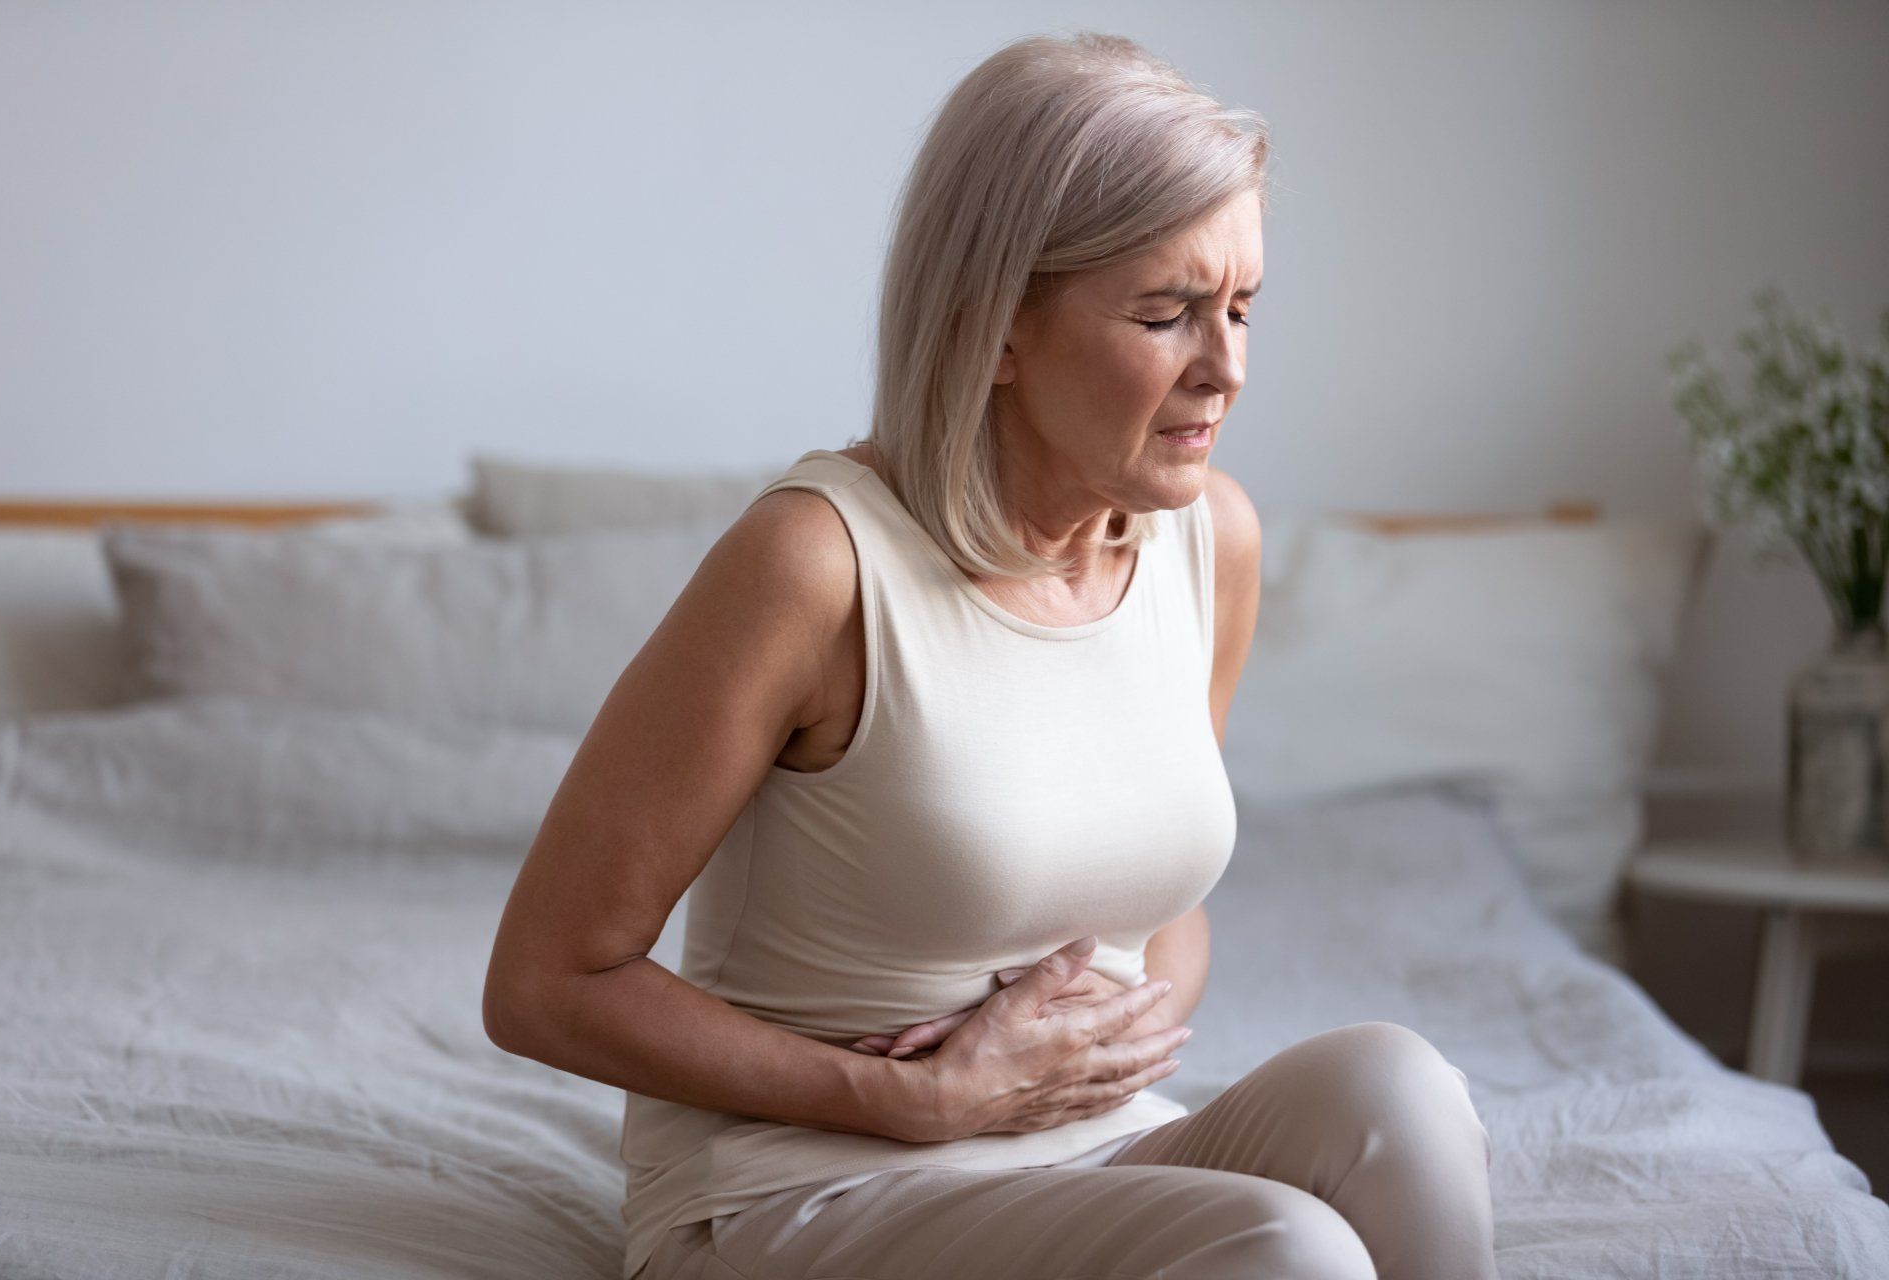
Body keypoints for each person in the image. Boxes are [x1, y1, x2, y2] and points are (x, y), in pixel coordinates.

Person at [483, 29, 1497, 1280]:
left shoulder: (1209, 542)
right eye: (1167, 313)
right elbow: (545, 980)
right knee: (1288, 1248)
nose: (1226, 368)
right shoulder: (817, 564)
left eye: (1241, 307)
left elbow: (1165, 909)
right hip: (803, 1186)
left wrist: (1096, 1044)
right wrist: (913, 1096)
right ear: (994, 326)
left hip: (1086, 1147)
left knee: (1401, 1088)